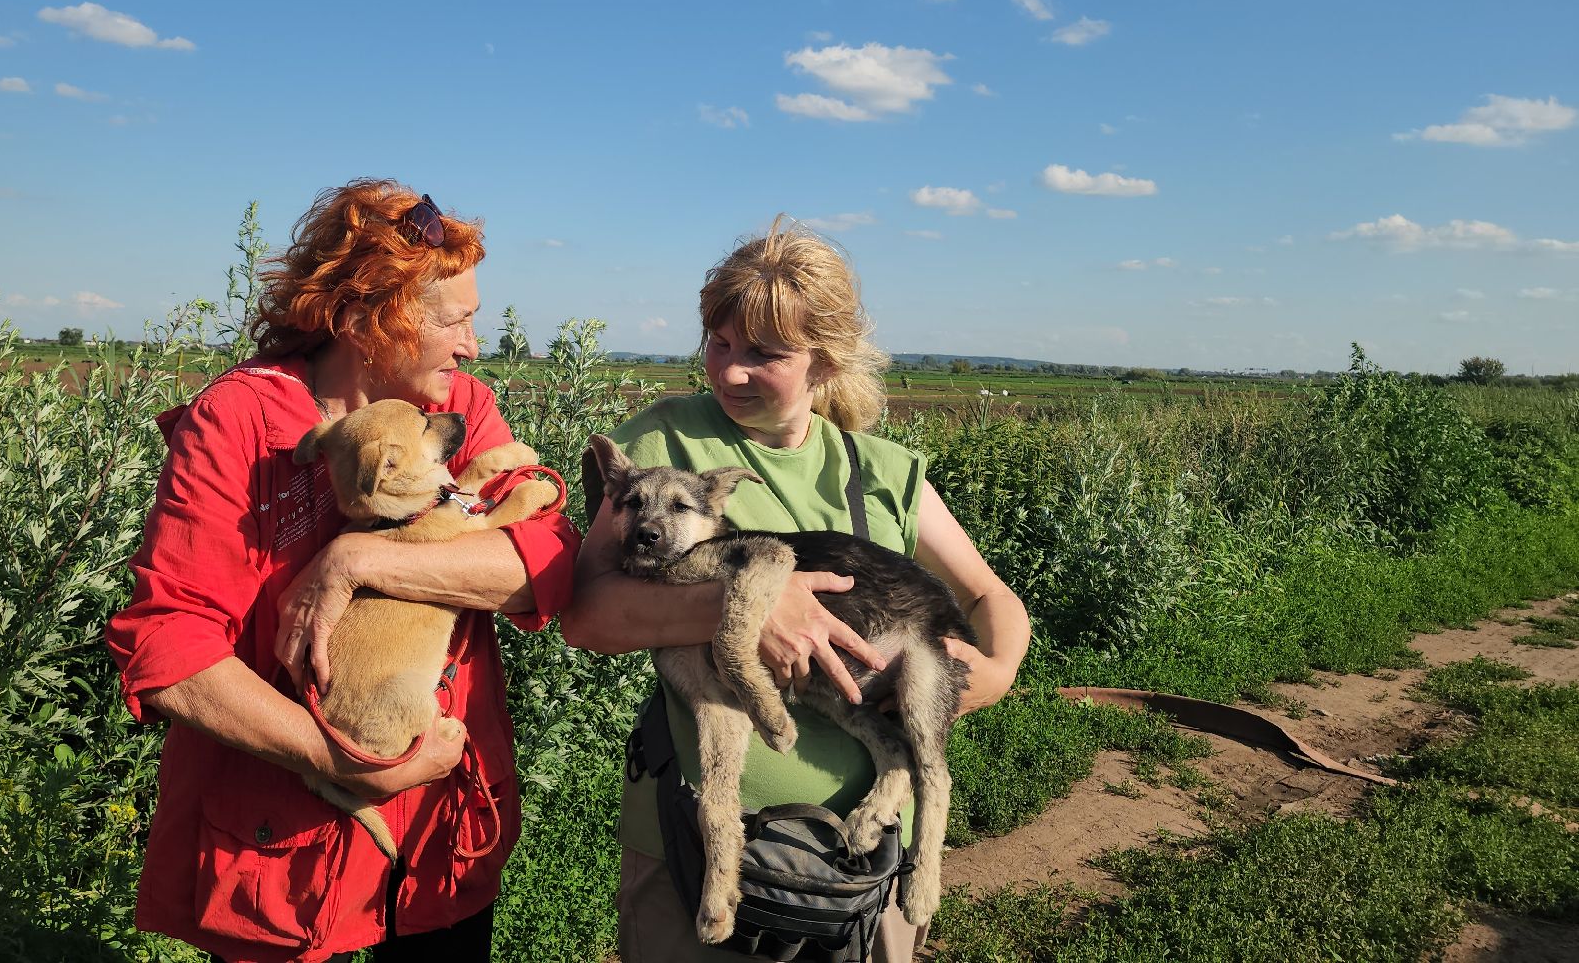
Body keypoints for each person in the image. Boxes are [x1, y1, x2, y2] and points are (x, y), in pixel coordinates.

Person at [105, 179, 580, 963]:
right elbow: (171, 649)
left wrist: (356, 559)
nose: (472, 345)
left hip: (438, 832)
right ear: (367, 322)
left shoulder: (459, 409)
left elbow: (542, 564)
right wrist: (348, 765)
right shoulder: (242, 422)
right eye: (455, 321)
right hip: (283, 853)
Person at [563, 220, 1032, 962]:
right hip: (699, 837)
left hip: (864, 855)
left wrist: (996, 673)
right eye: (719, 343)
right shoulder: (663, 444)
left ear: (825, 361)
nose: (731, 372)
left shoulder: (882, 469)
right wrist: (745, 608)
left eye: (764, 354)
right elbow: (586, 614)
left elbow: (988, 596)